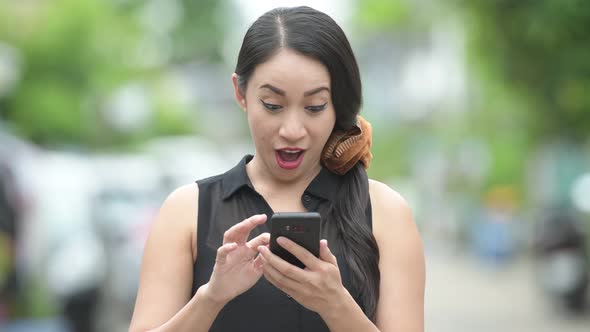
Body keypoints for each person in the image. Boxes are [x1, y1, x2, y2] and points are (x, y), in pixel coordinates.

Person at [129, 6, 424, 332]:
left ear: (337, 104)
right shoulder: (187, 211)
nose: (292, 129)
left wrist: (336, 305)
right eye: (273, 105)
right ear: (240, 93)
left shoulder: (386, 212)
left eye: (314, 107)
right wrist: (211, 297)